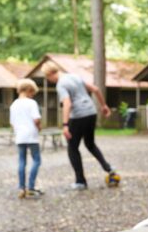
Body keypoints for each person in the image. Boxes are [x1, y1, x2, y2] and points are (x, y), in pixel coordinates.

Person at [41, 61, 119, 190]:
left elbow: (67, 103)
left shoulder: (61, 84)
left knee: (72, 148)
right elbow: (95, 89)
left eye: (47, 77)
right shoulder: (74, 76)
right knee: (90, 144)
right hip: (91, 112)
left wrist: (65, 124)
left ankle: (80, 181)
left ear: (50, 74)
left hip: (78, 116)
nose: (49, 80)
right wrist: (103, 105)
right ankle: (108, 168)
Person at [10, 79, 44, 199]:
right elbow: (36, 119)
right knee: (36, 160)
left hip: (20, 136)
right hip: (31, 135)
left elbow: (12, 123)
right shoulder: (31, 103)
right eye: (32, 92)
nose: (33, 95)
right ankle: (31, 187)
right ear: (29, 90)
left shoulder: (13, 104)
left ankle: (21, 187)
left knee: (21, 161)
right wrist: (39, 127)